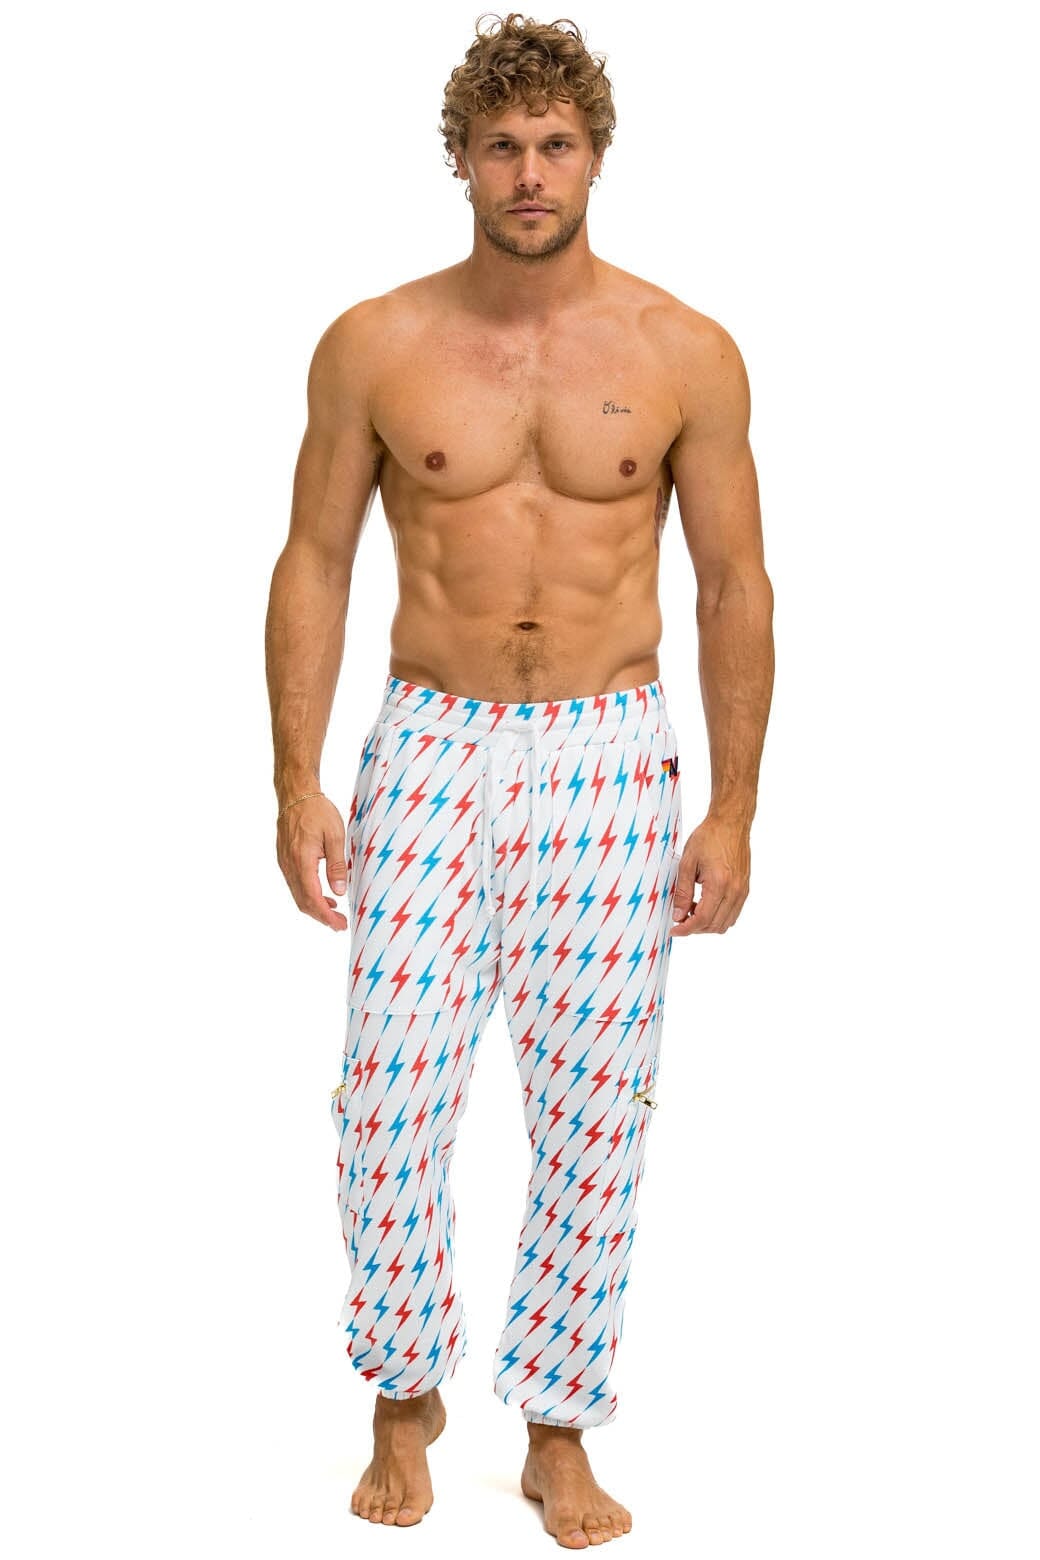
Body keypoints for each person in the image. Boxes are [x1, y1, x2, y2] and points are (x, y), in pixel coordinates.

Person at [265, 11, 774, 1548]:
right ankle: (402, 1388)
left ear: (596, 156)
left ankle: (558, 1424)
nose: (531, 172)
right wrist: (297, 779)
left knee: (596, 1107)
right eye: (503, 146)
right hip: (429, 743)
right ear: (463, 162)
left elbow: (734, 586)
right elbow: (315, 561)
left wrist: (733, 806)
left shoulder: (684, 352)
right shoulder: (377, 344)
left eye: (556, 144)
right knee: (388, 1093)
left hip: (609, 756)